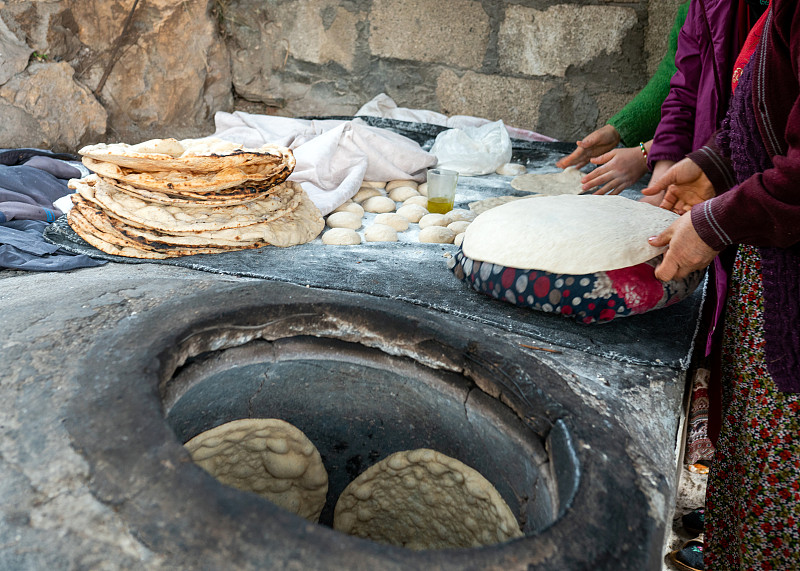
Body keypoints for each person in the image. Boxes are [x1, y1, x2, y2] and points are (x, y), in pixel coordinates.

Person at [643, 1, 800, 567]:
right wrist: (711, 162)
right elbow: (759, 113)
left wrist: (716, 221)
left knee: (779, 487)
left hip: (788, 281)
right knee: (749, 466)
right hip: (773, 266)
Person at [556, 2, 690, 196]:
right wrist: (618, 129)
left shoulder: (736, 15)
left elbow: (712, 106)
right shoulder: (694, 7)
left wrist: (647, 154)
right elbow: (676, 71)